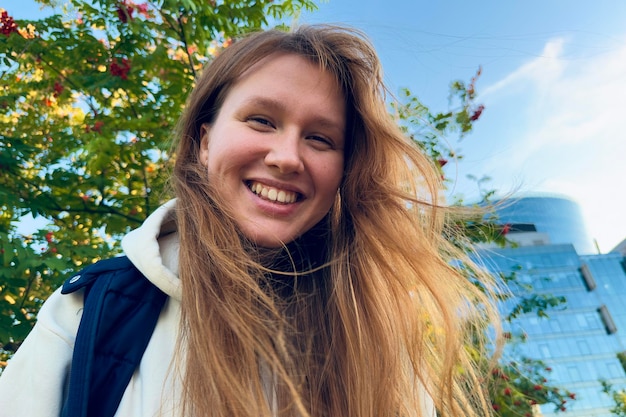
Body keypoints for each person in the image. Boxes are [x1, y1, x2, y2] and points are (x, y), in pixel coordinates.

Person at [0, 25, 498, 417]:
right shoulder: (92, 311)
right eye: (261, 119)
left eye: (321, 139)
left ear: (344, 172)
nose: (286, 157)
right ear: (203, 140)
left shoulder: (378, 336)